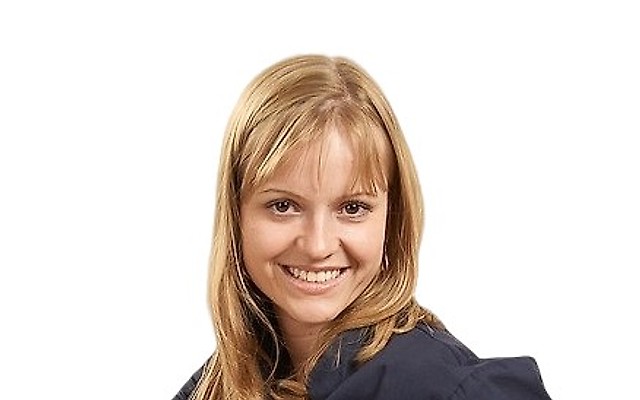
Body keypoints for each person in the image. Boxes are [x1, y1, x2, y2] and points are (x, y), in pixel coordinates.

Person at [173, 54, 552, 400]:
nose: (318, 245)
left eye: (352, 208)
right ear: (236, 215)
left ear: (393, 218)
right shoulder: (214, 387)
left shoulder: (441, 390)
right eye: (283, 206)